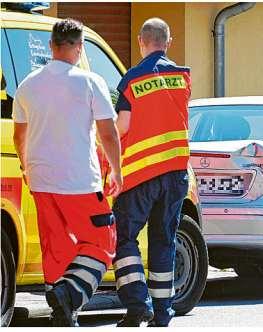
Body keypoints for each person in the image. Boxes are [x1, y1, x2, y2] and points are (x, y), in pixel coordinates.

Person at [12, 18, 122, 327]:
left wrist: (26, 166)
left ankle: (62, 312)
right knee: (103, 242)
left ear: (51, 46)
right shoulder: (89, 82)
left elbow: (19, 137)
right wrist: (117, 171)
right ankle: (69, 294)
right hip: (79, 181)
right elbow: (109, 134)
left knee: (56, 246)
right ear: (80, 47)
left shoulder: (27, 85)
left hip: (40, 179)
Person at [113, 17, 191, 327]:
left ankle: (137, 304)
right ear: (168, 42)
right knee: (164, 241)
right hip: (175, 175)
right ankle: (162, 314)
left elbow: (123, 126)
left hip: (140, 174)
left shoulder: (132, 80)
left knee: (125, 237)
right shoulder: (182, 77)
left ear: (140, 41)